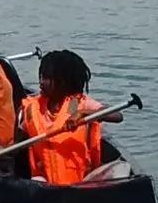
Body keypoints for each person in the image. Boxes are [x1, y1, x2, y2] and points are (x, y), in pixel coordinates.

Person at [18, 50, 123, 185]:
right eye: (41, 76)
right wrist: (2, 149)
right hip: (45, 183)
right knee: (36, 182)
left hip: (82, 181)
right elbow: (17, 142)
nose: (41, 82)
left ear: (64, 82)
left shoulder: (75, 105)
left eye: (47, 78)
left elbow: (117, 116)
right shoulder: (34, 107)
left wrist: (83, 113)